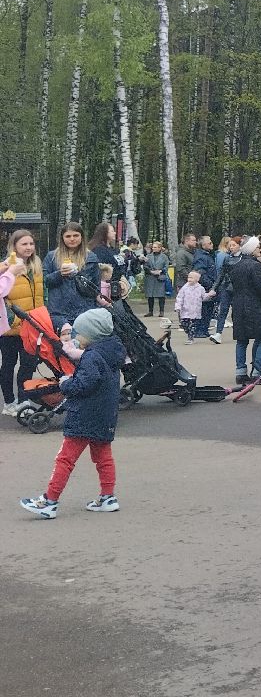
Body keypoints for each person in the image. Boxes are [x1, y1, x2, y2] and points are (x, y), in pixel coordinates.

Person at [19, 308, 126, 519]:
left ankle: (50, 501)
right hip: (105, 414)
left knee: (65, 458)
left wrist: (66, 384)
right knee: (103, 456)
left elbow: (83, 384)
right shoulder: (110, 351)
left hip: (84, 414)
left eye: (80, 334)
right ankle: (108, 496)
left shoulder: (92, 357)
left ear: (92, 335)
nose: (76, 337)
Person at [3, 230, 45, 416]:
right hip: (11, 328)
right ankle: (9, 402)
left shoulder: (37, 265)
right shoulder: (7, 267)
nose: (28, 247)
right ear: (14, 247)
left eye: (31, 244)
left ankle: (23, 400)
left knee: (28, 363)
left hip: (33, 325)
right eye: (24, 244)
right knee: (9, 364)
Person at [229, 236, 261, 384]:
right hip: (253, 306)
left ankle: (240, 372)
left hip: (238, 305)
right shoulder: (255, 266)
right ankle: (257, 372)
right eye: (257, 248)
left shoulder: (236, 265)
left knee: (242, 340)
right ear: (252, 250)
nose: (259, 250)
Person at [44, 222, 99, 331]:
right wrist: (59, 274)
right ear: (62, 238)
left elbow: (95, 287)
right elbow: (44, 281)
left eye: (76, 235)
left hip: (84, 310)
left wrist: (78, 275)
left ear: (81, 237)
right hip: (58, 311)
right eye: (68, 236)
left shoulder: (90, 257)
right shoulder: (52, 256)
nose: (72, 239)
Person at [174, 270, 215, 345]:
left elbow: (203, 297)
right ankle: (188, 332)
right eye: (189, 277)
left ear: (197, 280)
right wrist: (178, 307)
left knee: (192, 326)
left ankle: (190, 338)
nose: (189, 279)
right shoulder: (184, 288)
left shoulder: (200, 288)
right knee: (184, 324)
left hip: (195, 311)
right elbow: (179, 298)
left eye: (192, 278)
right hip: (185, 310)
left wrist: (209, 294)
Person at [191, 236, 218, 336]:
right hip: (205, 287)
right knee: (204, 309)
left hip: (209, 285)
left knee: (208, 308)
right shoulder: (201, 257)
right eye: (209, 243)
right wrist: (211, 285)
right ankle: (200, 330)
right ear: (203, 245)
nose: (212, 244)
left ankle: (203, 329)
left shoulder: (208, 255)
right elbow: (200, 274)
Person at [143, 241, 171, 317]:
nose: (153, 248)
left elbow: (166, 266)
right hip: (150, 277)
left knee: (161, 295)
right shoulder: (148, 256)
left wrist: (161, 271)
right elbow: (145, 266)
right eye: (153, 247)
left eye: (155, 247)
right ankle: (150, 311)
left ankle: (161, 311)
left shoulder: (164, 257)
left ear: (159, 248)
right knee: (150, 295)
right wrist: (151, 271)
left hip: (160, 277)